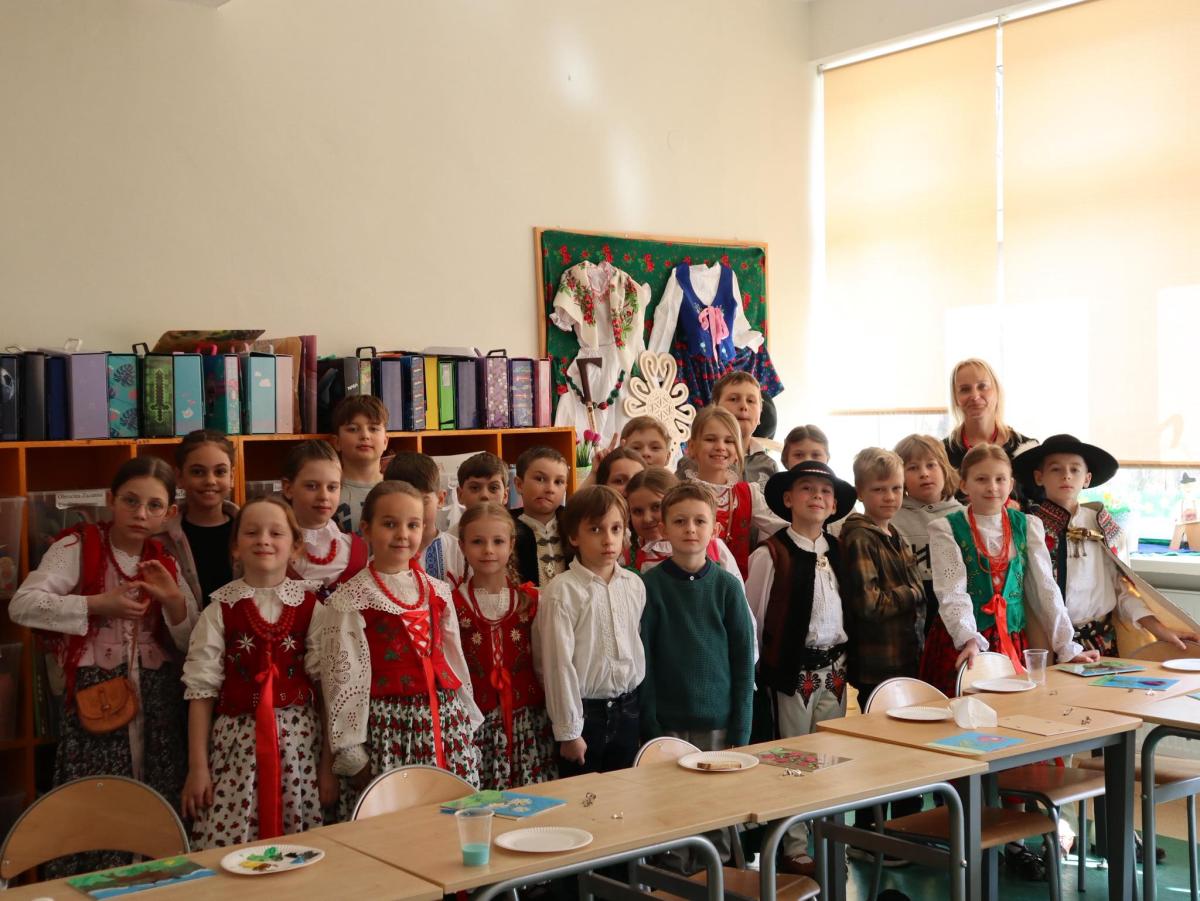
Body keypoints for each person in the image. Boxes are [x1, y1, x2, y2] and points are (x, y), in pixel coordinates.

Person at [10, 458, 198, 877]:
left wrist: (173, 602)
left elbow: (192, 642)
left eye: (154, 505)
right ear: (111, 500)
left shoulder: (164, 560)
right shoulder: (78, 547)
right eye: (130, 501)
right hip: (96, 699)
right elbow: (23, 605)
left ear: (168, 512)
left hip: (158, 705)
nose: (141, 513)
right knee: (99, 801)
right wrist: (98, 604)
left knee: (157, 794)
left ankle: (158, 884)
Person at [322, 481, 482, 815]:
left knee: (453, 817)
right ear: (366, 528)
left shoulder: (437, 590)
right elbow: (343, 681)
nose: (402, 534)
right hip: (391, 729)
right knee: (400, 822)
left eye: (412, 525)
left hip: (445, 721)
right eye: (390, 524)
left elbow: (454, 659)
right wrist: (352, 752)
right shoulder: (351, 599)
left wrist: (466, 718)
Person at [181, 496, 328, 847]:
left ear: (295, 547)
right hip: (236, 750)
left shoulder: (312, 608)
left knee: (300, 844)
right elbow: (201, 694)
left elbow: (326, 690)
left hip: (300, 751)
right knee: (232, 843)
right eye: (251, 532)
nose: (263, 540)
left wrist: (327, 766)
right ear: (235, 547)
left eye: (276, 533)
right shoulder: (219, 611)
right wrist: (198, 768)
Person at [746, 460, 857, 876]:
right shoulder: (771, 554)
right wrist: (763, 674)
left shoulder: (839, 552)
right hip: (791, 674)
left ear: (834, 506)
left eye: (825, 492)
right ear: (788, 499)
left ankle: (831, 839)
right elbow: (755, 621)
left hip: (836, 670)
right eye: (807, 489)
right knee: (791, 760)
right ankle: (791, 846)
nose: (817, 497)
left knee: (831, 759)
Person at [919, 444, 1098, 699]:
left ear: (1011, 483)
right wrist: (968, 638)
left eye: (1000, 479)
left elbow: (1046, 589)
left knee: (1012, 711)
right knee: (962, 711)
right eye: (981, 479)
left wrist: (1066, 646)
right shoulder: (946, 529)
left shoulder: (1027, 526)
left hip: (1012, 639)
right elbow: (952, 591)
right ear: (964, 485)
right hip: (964, 641)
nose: (992, 487)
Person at [1016, 435, 1200, 654]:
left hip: (1104, 642)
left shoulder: (1101, 523)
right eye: (1056, 469)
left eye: (1075, 469)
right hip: (1050, 645)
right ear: (1039, 477)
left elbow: (1122, 589)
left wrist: (1159, 630)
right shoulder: (1031, 528)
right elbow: (1035, 594)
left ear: (1087, 478)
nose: (1066, 475)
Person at [533, 486, 645, 775]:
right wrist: (569, 731)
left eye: (616, 529)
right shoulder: (562, 591)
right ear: (574, 537)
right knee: (584, 794)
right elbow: (557, 665)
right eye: (595, 529)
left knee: (625, 790)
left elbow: (634, 645)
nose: (608, 539)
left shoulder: (634, 585)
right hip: (585, 714)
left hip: (628, 707)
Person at [639, 482, 754, 748]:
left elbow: (743, 662)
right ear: (664, 529)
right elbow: (645, 661)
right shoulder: (650, 587)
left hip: (719, 725)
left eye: (700, 521)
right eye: (680, 521)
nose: (690, 528)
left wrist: (741, 730)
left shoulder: (728, 587)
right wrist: (650, 726)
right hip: (666, 727)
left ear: (715, 529)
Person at [453, 503, 556, 790]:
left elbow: (544, 665)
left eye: (497, 541)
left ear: (511, 545)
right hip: (477, 722)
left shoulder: (531, 600)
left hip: (528, 722)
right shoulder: (452, 603)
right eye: (477, 541)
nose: (488, 550)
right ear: (462, 545)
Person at [683, 406, 787, 578]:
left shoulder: (748, 494)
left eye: (729, 441)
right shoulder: (680, 495)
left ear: (738, 451)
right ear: (692, 447)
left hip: (735, 586)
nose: (720, 447)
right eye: (710, 439)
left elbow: (782, 527)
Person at [890, 434, 963, 638]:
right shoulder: (891, 518)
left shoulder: (964, 516)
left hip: (955, 607)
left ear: (944, 469)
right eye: (913, 468)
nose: (924, 473)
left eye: (931, 465)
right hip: (909, 612)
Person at [161, 429, 238, 609]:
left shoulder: (251, 531)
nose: (210, 480)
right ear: (179, 477)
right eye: (198, 472)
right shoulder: (161, 538)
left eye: (220, 471)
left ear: (232, 476)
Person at [943, 358, 1037, 504]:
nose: (975, 396)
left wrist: (1020, 510)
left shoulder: (1028, 449)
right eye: (965, 389)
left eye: (982, 386)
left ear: (997, 391)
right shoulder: (942, 455)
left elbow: (1042, 505)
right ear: (955, 398)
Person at [284, 440, 368, 593]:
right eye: (312, 486)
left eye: (332, 487)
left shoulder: (355, 551)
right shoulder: (271, 548)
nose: (324, 496)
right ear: (288, 488)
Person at [678, 371, 779, 488]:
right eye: (733, 399)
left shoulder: (768, 466)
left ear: (760, 413)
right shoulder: (692, 462)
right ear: (715, 407)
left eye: (751, 401)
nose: (744, 406)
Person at [384, 452, 466, 586]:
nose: (413, 513)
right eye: (402, 503)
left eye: (423, 501)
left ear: (440, 499)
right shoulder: (381, 555)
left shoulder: (460, 552)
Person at [511, 447, 571, 587]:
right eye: (540, 479)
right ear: (519, 485)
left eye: (558, 482)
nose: (550, 489)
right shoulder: (508, 529)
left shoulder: (571, 527)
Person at [331, 396, 389, 534]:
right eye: (353, 429)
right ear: (337, 442)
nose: (365, 436)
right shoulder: (328, 492)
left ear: (385, 442)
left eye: (373, 428)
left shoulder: (399, 490)